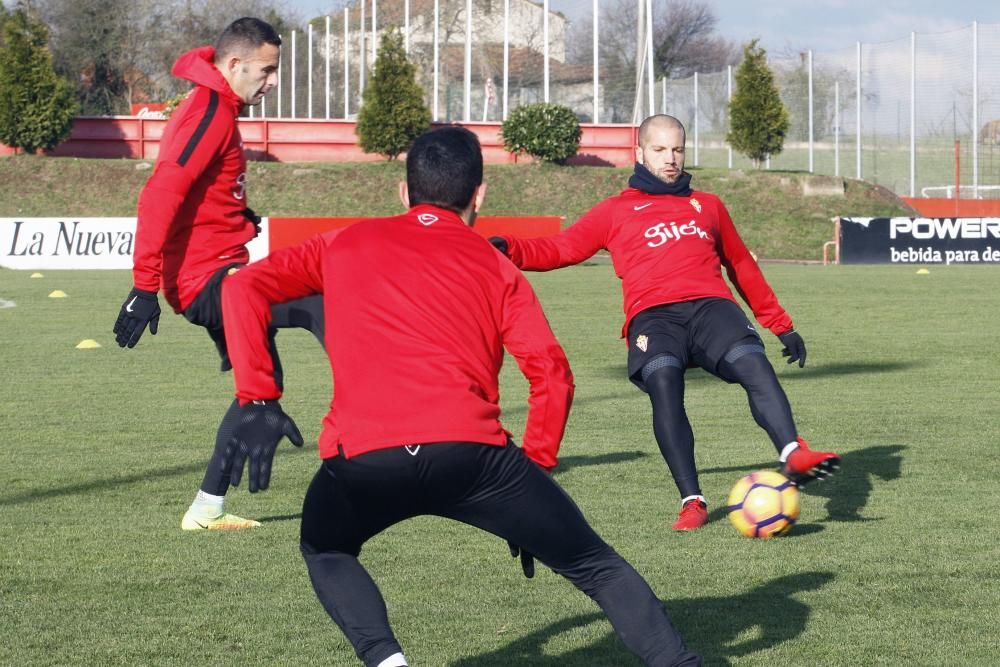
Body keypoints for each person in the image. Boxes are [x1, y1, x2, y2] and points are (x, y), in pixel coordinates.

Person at [217, 127, 702, 667]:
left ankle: (387, 661)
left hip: (364, 457)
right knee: (598, 567)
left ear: (404, 193)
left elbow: (241, 286)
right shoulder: (495, 264)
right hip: (474, 459)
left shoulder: (344, 241)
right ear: (480, 195)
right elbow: (552, 375)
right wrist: (535, 469)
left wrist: (258, 396)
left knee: (326, 549)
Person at [489, 114, 840, 531]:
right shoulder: (615, 210)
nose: (670, 159)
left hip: (712, 307)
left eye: (677, 150)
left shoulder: (707, 205)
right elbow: (562, 248)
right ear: (639, 153)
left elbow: (741, 264)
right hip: (654, 317)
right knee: (664, 383)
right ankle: (692, 500)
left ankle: (791, 452)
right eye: (659, 149)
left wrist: (779, 324)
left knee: (753, 363)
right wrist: (511, 247)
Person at [111, 17, 325, 531]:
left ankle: (207, 508)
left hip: (222, 273)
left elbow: (202, 193)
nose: (272, 82)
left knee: (262, 389)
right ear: (234, 64)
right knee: (326, 303)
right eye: (267, 71)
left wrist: (237, 217)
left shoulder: (217, 107)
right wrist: (143, 287)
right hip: (211, 283)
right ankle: (394, 439)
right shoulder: (208, 110)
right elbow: (160, 194)